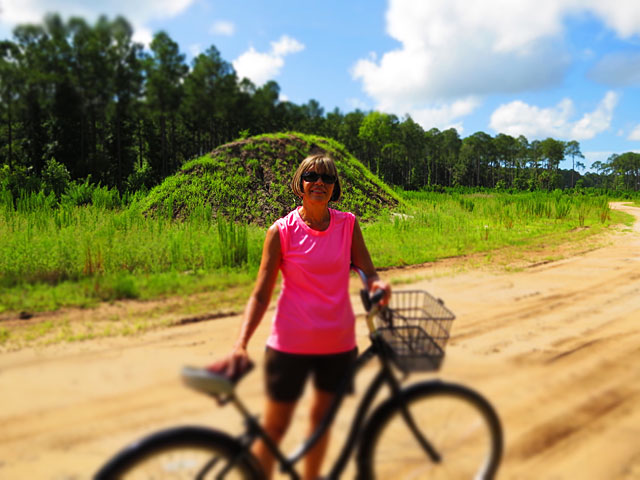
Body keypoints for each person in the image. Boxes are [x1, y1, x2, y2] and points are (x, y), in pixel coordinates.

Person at [208, 153, 390, 480]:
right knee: (274, 429)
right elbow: (261, 293)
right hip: (290, 345)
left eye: (327, 178)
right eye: (311, 176)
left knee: (321, 424)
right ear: (300, 184)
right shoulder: (281, 232)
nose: (319, 182)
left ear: (335, 188)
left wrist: (378, 285)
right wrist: (241, 343)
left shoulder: (348, 225)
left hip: (337, 343)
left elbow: (368, 271)